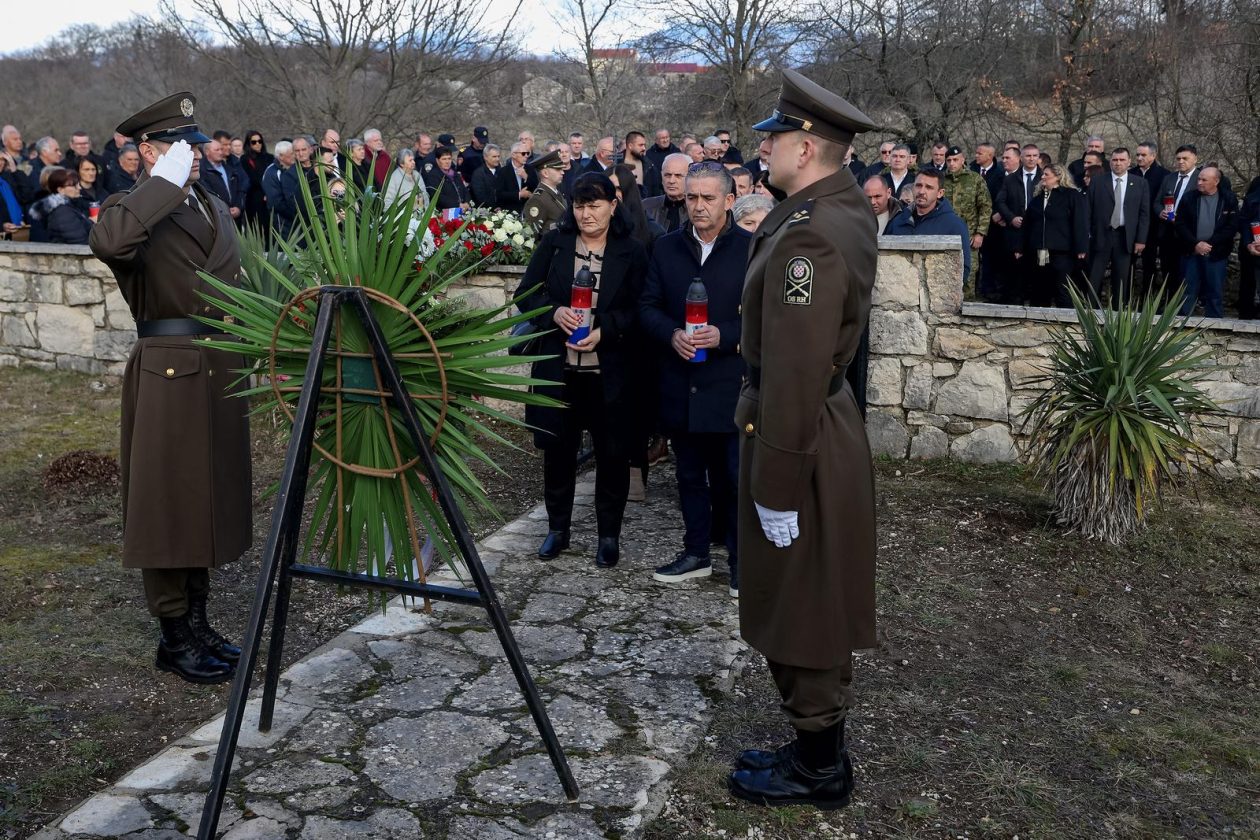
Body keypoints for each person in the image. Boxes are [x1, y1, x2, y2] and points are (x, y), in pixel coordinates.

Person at [726, 68, 877, 812]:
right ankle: (816, 749)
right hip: (817, 422)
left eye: (776, 137)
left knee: (803, 598)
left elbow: (793, 370)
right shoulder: (836, 207)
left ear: (807, 147)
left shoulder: (808, 238)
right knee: (810, 589)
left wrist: (777, 486)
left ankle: (819, 767)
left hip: (799, 433)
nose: (766, 148)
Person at [89, 91, 251, 685]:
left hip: (220, 365)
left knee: (204, 500)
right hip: (168, 372)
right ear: (150, 151)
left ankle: (199, 623)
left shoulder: (210, 203)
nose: (197, 155)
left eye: (197, 146)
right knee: (167, 504)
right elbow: (109, 244)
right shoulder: (131, 208)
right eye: (181, 147)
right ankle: (174, 635)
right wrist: (160, 184)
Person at [513, 173, 649, 569]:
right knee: (558, 454)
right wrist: (554, 312)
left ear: (612, 206)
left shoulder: (632, 251)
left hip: (610, 374)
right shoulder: (555, 244)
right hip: (560, 371)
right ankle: (557, 529)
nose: (586, 214)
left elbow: (642, 308)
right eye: (579, 206)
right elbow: (526, 293)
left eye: (594, 205)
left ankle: (608, 536)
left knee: (612, 455)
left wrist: (606, 330)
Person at [639, 162, 749, 594]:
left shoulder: (751, 249)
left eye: (707, 197)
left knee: (733, 479)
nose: (698, 206)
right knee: (688, 476)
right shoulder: (667, 248)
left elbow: (766, 318)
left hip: (729, 384)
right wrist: (671, 334)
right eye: (691, 197)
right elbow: (647, 306)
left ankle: (741, 563)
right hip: (680, 383)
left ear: (729, 200)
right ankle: (696, 553)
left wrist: (726, 336)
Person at [1013, 163, 1088, 307]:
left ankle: (1065, 320)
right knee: (1039, 289)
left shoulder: (1072, 196)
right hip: (1039, 252)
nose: (1042, 177)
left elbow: (1080, 222)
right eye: (1043, 174)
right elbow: (1027, 224)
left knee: (1063, 289)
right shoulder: (1037, 199)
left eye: (1046, 174)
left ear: (1058, 177)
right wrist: (1019, 247)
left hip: (1062, 252)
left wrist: (1081, 247)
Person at [1085, 147, 1150, 307]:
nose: (1118, 163)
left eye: (1122, 160)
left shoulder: (1140, 183)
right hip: (1101, 235)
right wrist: (1088, 234)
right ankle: (1090, 311)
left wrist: (1141, 240)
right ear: (1110, 162)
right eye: (1115, 160)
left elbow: (1144, 214)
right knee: (1094, 276)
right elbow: (1088, 209)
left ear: (1129, 162)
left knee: (1121, 279)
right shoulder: (1098, 181)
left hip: (1124, 236)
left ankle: (1118, 312)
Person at [885, 170, 972, 280]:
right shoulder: (898, 221)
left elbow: (963, 269)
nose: (922, 191)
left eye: (929, 187)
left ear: (940, 193)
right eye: (918, 185)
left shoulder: (954, 225)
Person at [1175, 166, 1238, 318]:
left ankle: (1215, 323)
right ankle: (1182, 324)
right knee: (1187, 290)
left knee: (1214, 291)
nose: (1199, 182)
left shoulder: (1228, 199)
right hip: (1192, 251)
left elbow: (1232, 226)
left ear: (1216, 181)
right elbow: (1180, 224)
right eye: (1199, 179)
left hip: (1216, 253)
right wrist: (1195, 244)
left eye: (1204, 180)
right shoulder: (1189, 198)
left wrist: (1210, 244)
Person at [940, 146, 991, 290]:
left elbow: (985, 207)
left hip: (969, 236)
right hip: (944, 235)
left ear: (962, 160)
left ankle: (968, 301)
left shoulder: (975, 179)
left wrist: (980, 233)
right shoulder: (941, 180)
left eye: (955, 160)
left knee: (968, 273)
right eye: (949, 160)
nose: (952, 163)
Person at [29, 168, 93, 244]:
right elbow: (78, 241)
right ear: (60, 190)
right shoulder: (62, 212)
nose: (79, 188)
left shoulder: (69, 205)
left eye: (78, 184)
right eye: (74, 185)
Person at [522, 149, 567, 236]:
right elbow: (531, 234)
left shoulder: (555, 193)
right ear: (545, 173)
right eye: (558, 169)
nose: (562, 172)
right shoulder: (538, 199)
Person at [642, 153, 690, 233]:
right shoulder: (646, 207)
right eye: (667, 175)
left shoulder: (697, 209)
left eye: (678, 176)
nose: (671, 181)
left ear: (690, 178)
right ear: (661, 176)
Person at [423, 145, 470, 211]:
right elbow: (437, 197)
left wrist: (467, 202)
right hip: (445, 212)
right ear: (437, 160)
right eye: (444, 159)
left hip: (463, 209)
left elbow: (465, 190)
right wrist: (458, 205)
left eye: (449, 158)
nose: (447, 162)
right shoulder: (432, 176)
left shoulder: (455, 174)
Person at [497, 142, 536, 213]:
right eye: (523, 153)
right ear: (513, 155)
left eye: (528, 153)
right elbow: (500, 194)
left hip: (528, 210)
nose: (526, 156)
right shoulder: (503, 171)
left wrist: (526, 177)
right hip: (510, 212)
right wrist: (519, 194)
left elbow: (537, 188)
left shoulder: (530, 169)